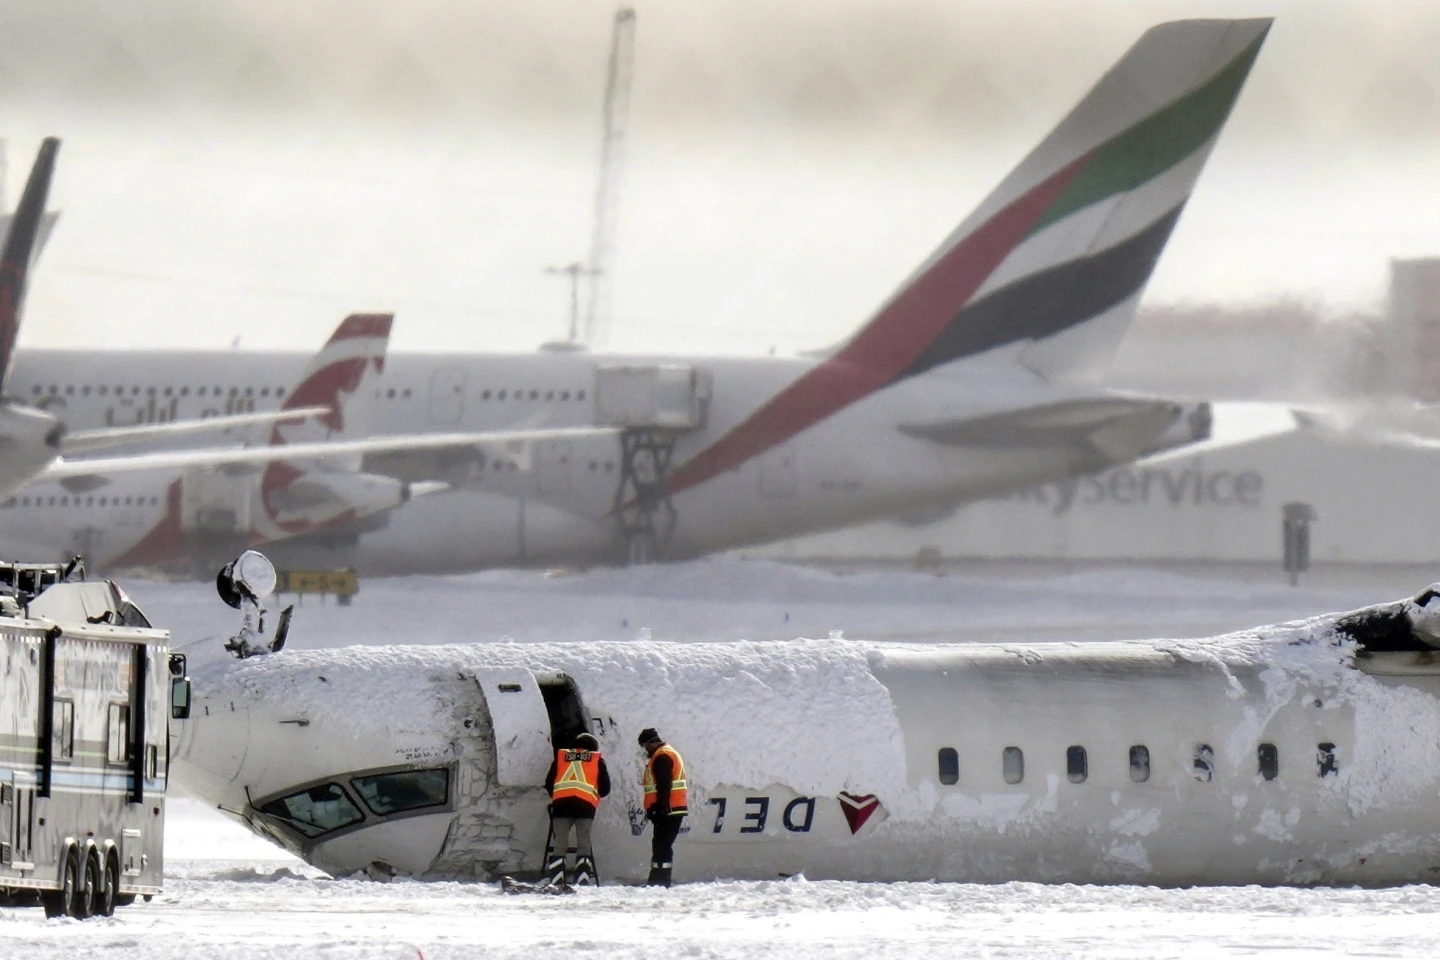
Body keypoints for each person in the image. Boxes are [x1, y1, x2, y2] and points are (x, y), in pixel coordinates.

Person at [543, 732, 610, 886]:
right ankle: (582, 878)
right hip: (585, 807)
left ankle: (557, 879)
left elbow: (548, 782)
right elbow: (605, 789)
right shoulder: (597, 760)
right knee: (583, 841)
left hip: (561, 805)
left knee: (560, 841)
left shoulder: (561, 758)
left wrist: (557, 796)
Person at [638, 727, 687, 887]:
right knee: (661, 844)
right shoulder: (668, 753)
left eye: (645, 747)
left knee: (662, 845)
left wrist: (661, 806)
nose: (646, 751)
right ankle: (658, 879)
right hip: (672, 807)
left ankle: (660, 881)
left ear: (651, 743)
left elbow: (663, 784)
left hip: (668, 809)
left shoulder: (662, 756)